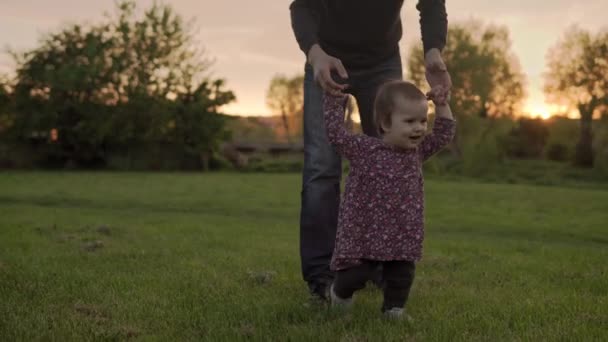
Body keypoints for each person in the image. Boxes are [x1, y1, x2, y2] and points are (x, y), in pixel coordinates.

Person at [289, 0, 451, 301]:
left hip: (382, 60)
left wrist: (433, 51)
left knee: (393, 162)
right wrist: (315, 54)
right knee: (321, 169)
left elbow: (431, 4)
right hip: (327, 58)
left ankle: (381, 266)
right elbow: (303, 7)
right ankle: (321, 279)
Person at [323, 80, 455, 318]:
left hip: (402, 231)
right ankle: (339, 294)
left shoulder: (417, 152)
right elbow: (335, 135)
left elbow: (444, 133)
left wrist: (442, 104)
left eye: (423, 121)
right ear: (385, 123)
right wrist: (334, 100)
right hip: (364, 232)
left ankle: (394, 310)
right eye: (409, 121)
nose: (419, 128)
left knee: (402, 275)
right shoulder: (363, 149)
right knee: (356, 275)